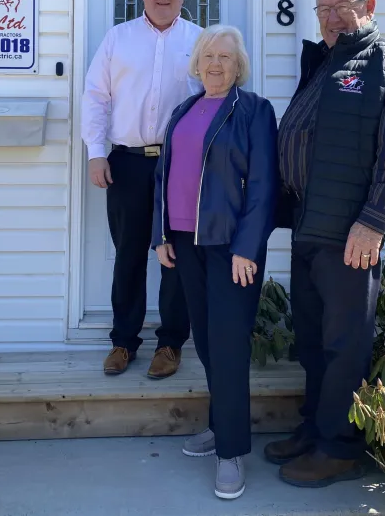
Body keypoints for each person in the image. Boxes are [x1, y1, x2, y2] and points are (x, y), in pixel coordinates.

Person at [267, 0, 385, 488]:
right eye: (323, 9)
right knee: (311, 340)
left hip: (350, 235)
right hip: (310, 227)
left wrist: (374, 223)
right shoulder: (323, 63)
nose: (332, 18)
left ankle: (340, 447)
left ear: (369, 5)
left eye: (342, 6)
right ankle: (315, 428)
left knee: (344, 344)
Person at [152, 25, 278, 499]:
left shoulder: (254, 111)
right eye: (209, 55)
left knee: (227, 344)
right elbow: (164, 176)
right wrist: (160, 235)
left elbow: (264, 185)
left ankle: (231, 451)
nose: (216, 64)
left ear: (238, 64)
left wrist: (248, 246)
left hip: (230, 247)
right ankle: (219, 425)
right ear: (197, 62)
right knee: (204, 339)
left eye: (225, 56)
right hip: (185, 242)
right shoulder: (184, 109)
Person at [82, 0, 202, 378]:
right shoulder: (118, 39)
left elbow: (215, 100)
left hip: (182, 167)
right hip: (127, 163)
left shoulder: (201, 41)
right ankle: (123, 341)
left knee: (177, 256)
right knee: (128, 254)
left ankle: (170, 344)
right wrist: (96, 151)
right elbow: (96, 96)